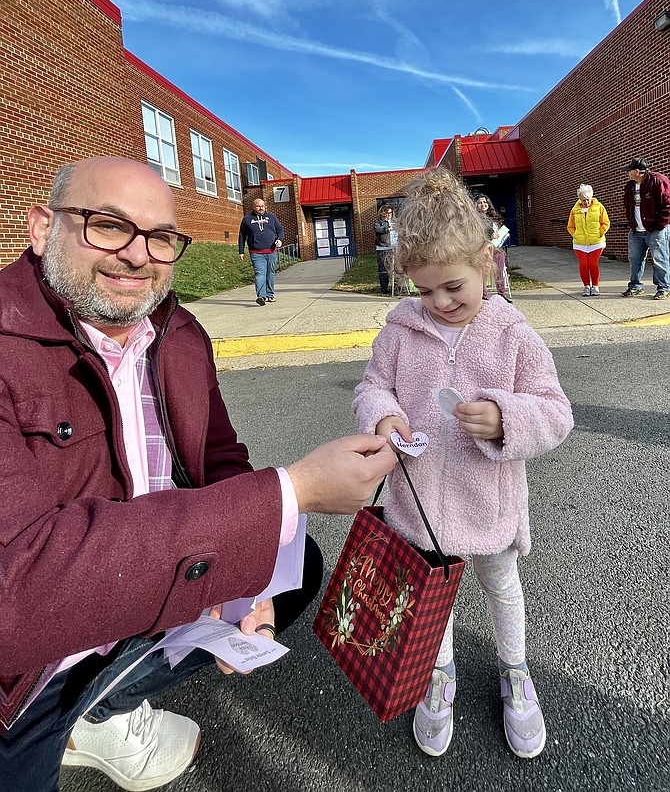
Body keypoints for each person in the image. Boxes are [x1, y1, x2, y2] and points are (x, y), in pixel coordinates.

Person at [0, 156, 395, 791]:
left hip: (151, 585)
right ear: (43, 228)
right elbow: (18, 593)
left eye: (160, 238)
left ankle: (101, 711)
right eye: (107, 225)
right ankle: (71, 714)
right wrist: (291, 492)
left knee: (295, 563)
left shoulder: (179, 334)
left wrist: (248, 585)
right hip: (27, 675)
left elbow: (220, 460)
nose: (137, 256)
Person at [353, 168, 573, 761]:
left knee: (502, 586)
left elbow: (556, 410)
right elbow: (373, 386)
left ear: (485, 263)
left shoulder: (513, 333)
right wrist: (383, 418)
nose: (440, 303)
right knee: (432, 598)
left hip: (490, 499)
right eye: (424, 292)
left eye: (452, 286)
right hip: (419, 502)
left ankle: (515, 669)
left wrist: (507, 418)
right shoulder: (399, 331)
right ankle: (440, 672)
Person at [620, 157, 670, 300]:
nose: (626, 174)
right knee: (635, 259)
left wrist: (660, 226)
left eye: (628, 171)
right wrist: (632, 224)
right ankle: (635, 286)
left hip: (655, 230)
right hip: (636, 230)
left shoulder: (658, 181)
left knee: (660, 259)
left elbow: (667, 206)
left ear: (637, 171)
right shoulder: (630, 186)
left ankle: (664, 288)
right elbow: (628, 206)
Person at [238, 198, 284, 305]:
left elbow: (280, 230)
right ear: (254, 207)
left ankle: (270, 295)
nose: (261, 208)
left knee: (270, 274)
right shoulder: (247, 219)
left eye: (262, 206)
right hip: (256, 252)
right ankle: (261, 297)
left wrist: (279, 240)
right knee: (260, 274)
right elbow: (241, 236)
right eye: (258, 206)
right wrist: (241, 251)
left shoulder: (271, 217)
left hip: (271, 251)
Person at [567, 184, 610, 296]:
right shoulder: (574, 210)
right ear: (579, 199)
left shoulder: (599, 207)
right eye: (583, 200)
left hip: (596, 242)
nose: (586, 202)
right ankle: (586, 286)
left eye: (588, 200)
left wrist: (599, 233)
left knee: (592, 264)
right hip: (579, 243)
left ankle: (595, 286)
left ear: (591, 197)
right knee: (583, 265)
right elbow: (570, 226)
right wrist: (575, 235)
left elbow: (606, 223)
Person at [474, 194, 508, 298]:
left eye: (485, 202)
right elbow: (475, 234)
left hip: (497, 249)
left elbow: (498, 230)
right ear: (475, 205)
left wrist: (503, 234)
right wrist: (490, 235)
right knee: (483, 273)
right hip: (483, 250)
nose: (483, 205)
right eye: (480, 203)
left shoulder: (494, 217)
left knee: (499, 272)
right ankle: (484, 296)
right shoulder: (474, 219)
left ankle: (501, 295)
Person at [374, 205, 396, 295]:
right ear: (383, 213)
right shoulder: (378, 222)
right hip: (382, 248)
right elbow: (377, 229)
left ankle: (397, 288)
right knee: (383, 270)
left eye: (390, 213)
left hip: (394, 248)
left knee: (395, 268)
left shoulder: (395, 221)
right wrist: (388, 229)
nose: (389, 215)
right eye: (387, 213)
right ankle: (384, 289)